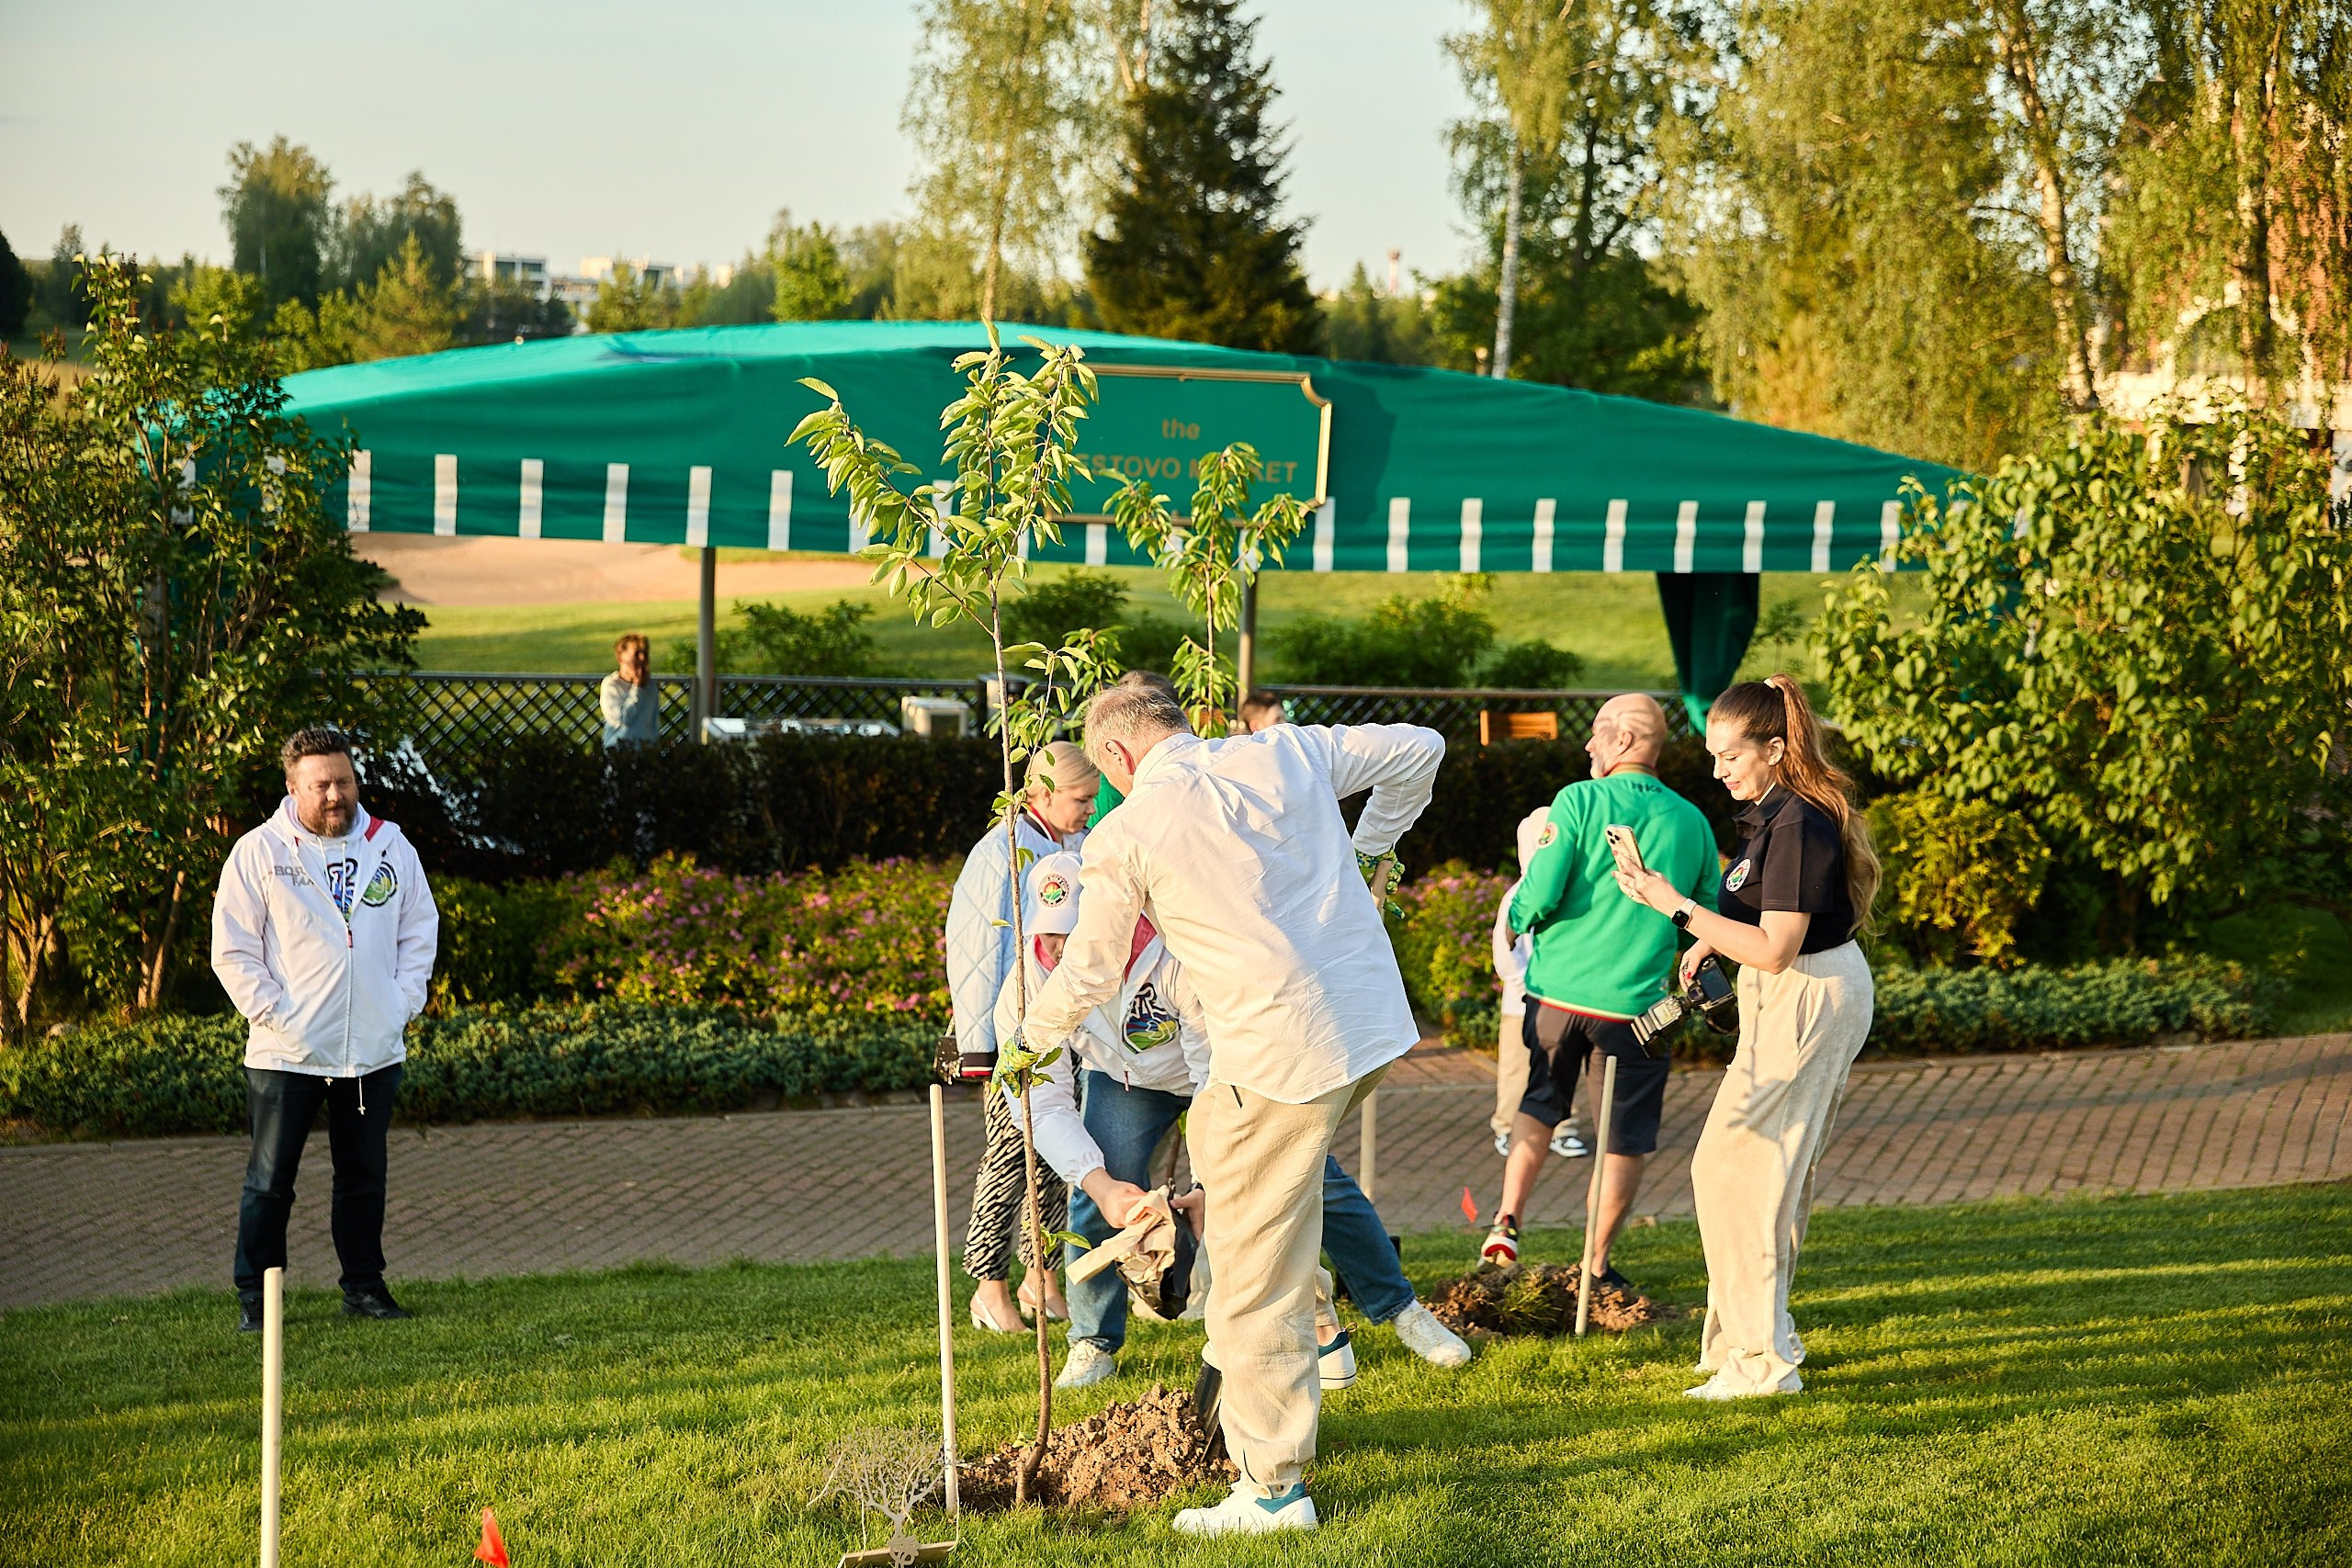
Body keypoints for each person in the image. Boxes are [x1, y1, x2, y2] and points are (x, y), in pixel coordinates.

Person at [1024, 682, 1444, 1537]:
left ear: (1114, 756)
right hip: (1364, 1031)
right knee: (1253, 1205)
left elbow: (1093, 973)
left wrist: (1026, 1039)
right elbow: (1423, 747)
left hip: (1278, 1056)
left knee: (1251, 1282)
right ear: (1179, 722)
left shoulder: (1126, 831)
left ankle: (1273, 1487)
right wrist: (1372, 851)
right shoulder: (1284, 750)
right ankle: (1276, 1362)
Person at [1005, 853, 1472, 1393]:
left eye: (1076, 937)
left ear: (1116, 919)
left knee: (1311, 1177)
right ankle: (1093, 1341)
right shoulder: (1027, 982)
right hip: (1124, 1082)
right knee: (1094, 1196)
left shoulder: (1178, 951)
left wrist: (1209, 1184)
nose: (1063, 953)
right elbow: (1041, 1099)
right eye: (1051, 937)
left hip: (1228, 1072)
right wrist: (1101, 1182)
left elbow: (1213, 1069)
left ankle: (1399, 1307)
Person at [1614, 675, 1880, 1401]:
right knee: (1756, 1175)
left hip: (1807, 997)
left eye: (1731, 756)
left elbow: (1776, 946)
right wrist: (1708, 941)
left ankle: (1761, 1362)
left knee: (1743, 1175)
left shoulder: (1796, 821)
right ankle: (1753, 1340)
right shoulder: (1771, 811)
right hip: (1800, 992)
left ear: (1774, 747)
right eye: (1713, 755)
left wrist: (1676, 906)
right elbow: (1758, 927)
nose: (1718, 769)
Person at [1481, 694, 1717, 1292]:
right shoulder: (1692, 821)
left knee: (1539, 1104)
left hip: (1558, 998)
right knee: (1623, 1139)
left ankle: (1507, 1219)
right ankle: (1594, 1264)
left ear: (1626, 741)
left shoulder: (1578, 800)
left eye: (1598, 733)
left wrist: (1514, 923)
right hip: (1636, 1011)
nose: (1588, 745)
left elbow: (1542, 884)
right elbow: (1708, 912)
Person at [211, 728, 439, 1333]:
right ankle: (258, 1299)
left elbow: (420, 929)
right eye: (321, 785)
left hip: (372, 1050)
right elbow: (232, 950)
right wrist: (276, 1013)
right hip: (286, 1052)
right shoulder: (260, 852)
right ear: (293, 788)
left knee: (363, 1179)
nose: (335, 795)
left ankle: (364, 1287)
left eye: (343, 781)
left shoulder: (390, 847)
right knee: (269, 1182)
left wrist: (399, 1003)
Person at [945, 739, 1100, 1333]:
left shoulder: (1073, 843)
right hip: (1014, 1029)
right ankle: (990, 1285)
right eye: (1081, 798)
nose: (1090, 808)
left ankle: (1044, 1277)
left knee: (1057, 1159)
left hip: (1065, 1029)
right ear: (1040, 793)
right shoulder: (1004, 849)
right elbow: (977, 949)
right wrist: (979, 1042)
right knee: (1010, 1159)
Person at [1489, 807, 1589, 1161]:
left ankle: (1563, 1128)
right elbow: (1505, 953)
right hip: (1523, 1002)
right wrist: (1525, 990)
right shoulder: (1517, 896)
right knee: (1517, 1068)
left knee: (1563, 1065)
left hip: (1563, 1002)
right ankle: (1506, 1127)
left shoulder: (1573, 895)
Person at [599, 633, 659, 748]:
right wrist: (637, 688)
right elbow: (624, 719)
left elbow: (654, 724)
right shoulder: (611, 685)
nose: (643, 659)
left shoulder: (650, 686)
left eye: (645, 654)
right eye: (637, 654)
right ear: (621, 657)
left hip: (646, 754)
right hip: (619, 753)